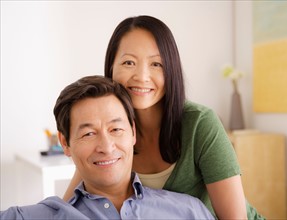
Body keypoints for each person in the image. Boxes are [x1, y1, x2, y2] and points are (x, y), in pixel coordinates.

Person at [64, 15, 265, 220]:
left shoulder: (200, 124)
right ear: (111, 68)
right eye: (129, 62)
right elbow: (67, 208)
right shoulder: (110, 136)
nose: (142, 76)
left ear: (171, 69)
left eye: (156, 64)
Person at [1, 76, 215, 219]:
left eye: (115, 129)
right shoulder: (45, 216)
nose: (106, 146)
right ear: (65, 143)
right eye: (89, 133)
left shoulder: (188, 211)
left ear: (132, 131)